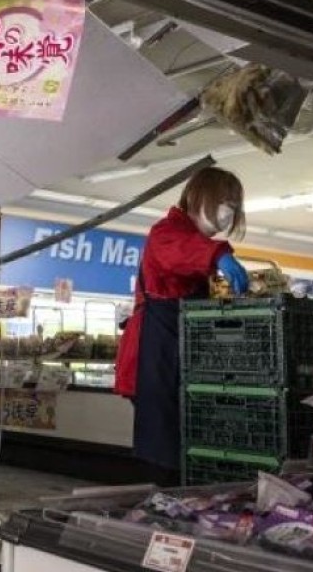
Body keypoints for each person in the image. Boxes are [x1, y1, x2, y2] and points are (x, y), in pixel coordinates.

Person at [113, 167, 249, 475]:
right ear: (199, 196)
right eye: (225, 200)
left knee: (182, 442)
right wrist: (218, 256)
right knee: (164, 445)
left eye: (235, 204)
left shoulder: (198, 246)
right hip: (156, 354)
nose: (230, 211)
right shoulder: (166, 232)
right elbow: (180, 252)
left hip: (180, 355)